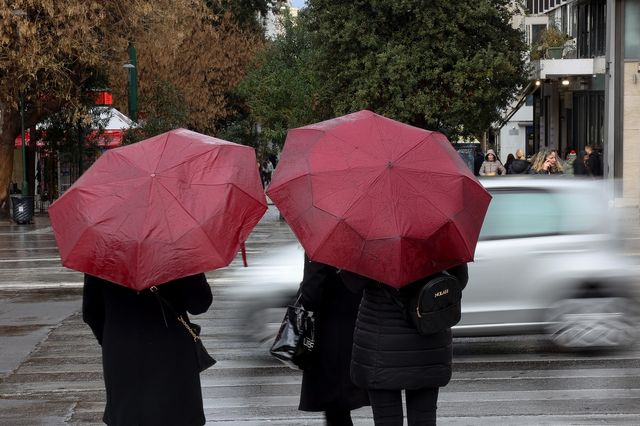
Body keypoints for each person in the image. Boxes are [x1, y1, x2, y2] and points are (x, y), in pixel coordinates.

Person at [344, 264, 469, 426]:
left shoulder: (372, 244)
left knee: (386, 420)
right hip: (428, 338)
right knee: (424, 420)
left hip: (381, 344)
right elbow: (459, 281)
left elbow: (352, 283)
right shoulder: (439, 241)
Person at [83, 273, 213, 426]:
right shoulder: (177, 252)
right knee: (177, 416)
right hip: (172, 352)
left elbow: (91, 312)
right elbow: (199, 304)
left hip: (122, 353)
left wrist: (112, 342)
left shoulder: (103, 255)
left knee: (128, 416)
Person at [298, 255, 369, 425]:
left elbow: (311, 292)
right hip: (361, 323)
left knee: (335, 406)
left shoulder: (321, 245)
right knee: (343, 401)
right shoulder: (364, 238)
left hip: (329, 332)